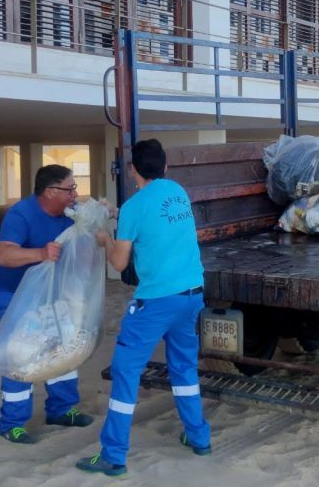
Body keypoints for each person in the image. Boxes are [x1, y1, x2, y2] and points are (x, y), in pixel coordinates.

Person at [77, 139, 210, 478]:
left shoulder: (134, 207)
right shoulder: (177, 192)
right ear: (166, 167)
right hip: (191, 294)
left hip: (156, 302)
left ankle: (113, 456)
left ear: (132, 169)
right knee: (184, 368)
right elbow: (154, 216)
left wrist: (106, 239)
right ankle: (198, 436)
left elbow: (120, 263)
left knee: (125, 371)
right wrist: (117, 212)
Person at [0, 164, 93, 444]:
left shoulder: (71, 213)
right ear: (50, 191)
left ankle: (61, 410)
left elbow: (96, 238)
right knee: (20, 351)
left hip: (51, 291)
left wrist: (102, 216)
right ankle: (13, 424)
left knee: (63, 343)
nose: (75, 194)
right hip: (12, 293)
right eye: (70, 189)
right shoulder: (21, 214)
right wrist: (40, 253)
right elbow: (3, 255)